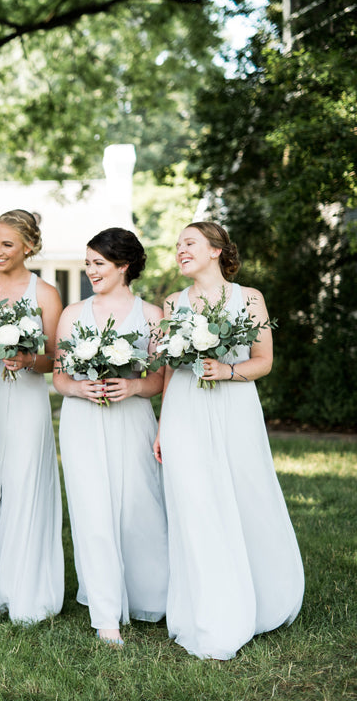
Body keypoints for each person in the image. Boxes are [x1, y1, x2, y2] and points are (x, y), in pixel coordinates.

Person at [153, 221, 303, 660]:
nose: (180, 250)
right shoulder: (172, 303)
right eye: (178, 245)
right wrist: (163, 426)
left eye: (190, 243)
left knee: (244, 496)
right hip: (184, 410)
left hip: (234, 408)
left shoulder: (249, 298)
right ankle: (210, 609)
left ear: (216, 250)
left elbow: (264, 361)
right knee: (194, 503)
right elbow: (167, 371)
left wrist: (227, 371)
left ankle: (262, 596)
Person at [53, 228, 168, 646]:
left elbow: (159, 379)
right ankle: (106, 615)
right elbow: (60, 376)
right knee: (92, 510)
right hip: (82, 420)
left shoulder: (152, 315)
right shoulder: (72, 313)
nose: (90, 272)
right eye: (88, 263)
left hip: (133, 418)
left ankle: (148, 596)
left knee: (140, 505)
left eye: (98, 263)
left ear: (124, 266)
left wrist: (134, 387)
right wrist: (79, 388)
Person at [0, 209, 64, 624]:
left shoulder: (45, 293)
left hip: (26, 396)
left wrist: (28, 359)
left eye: (6, 244)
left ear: (28, 246)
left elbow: (56, 363)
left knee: (25, 481)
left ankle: (21, 583)